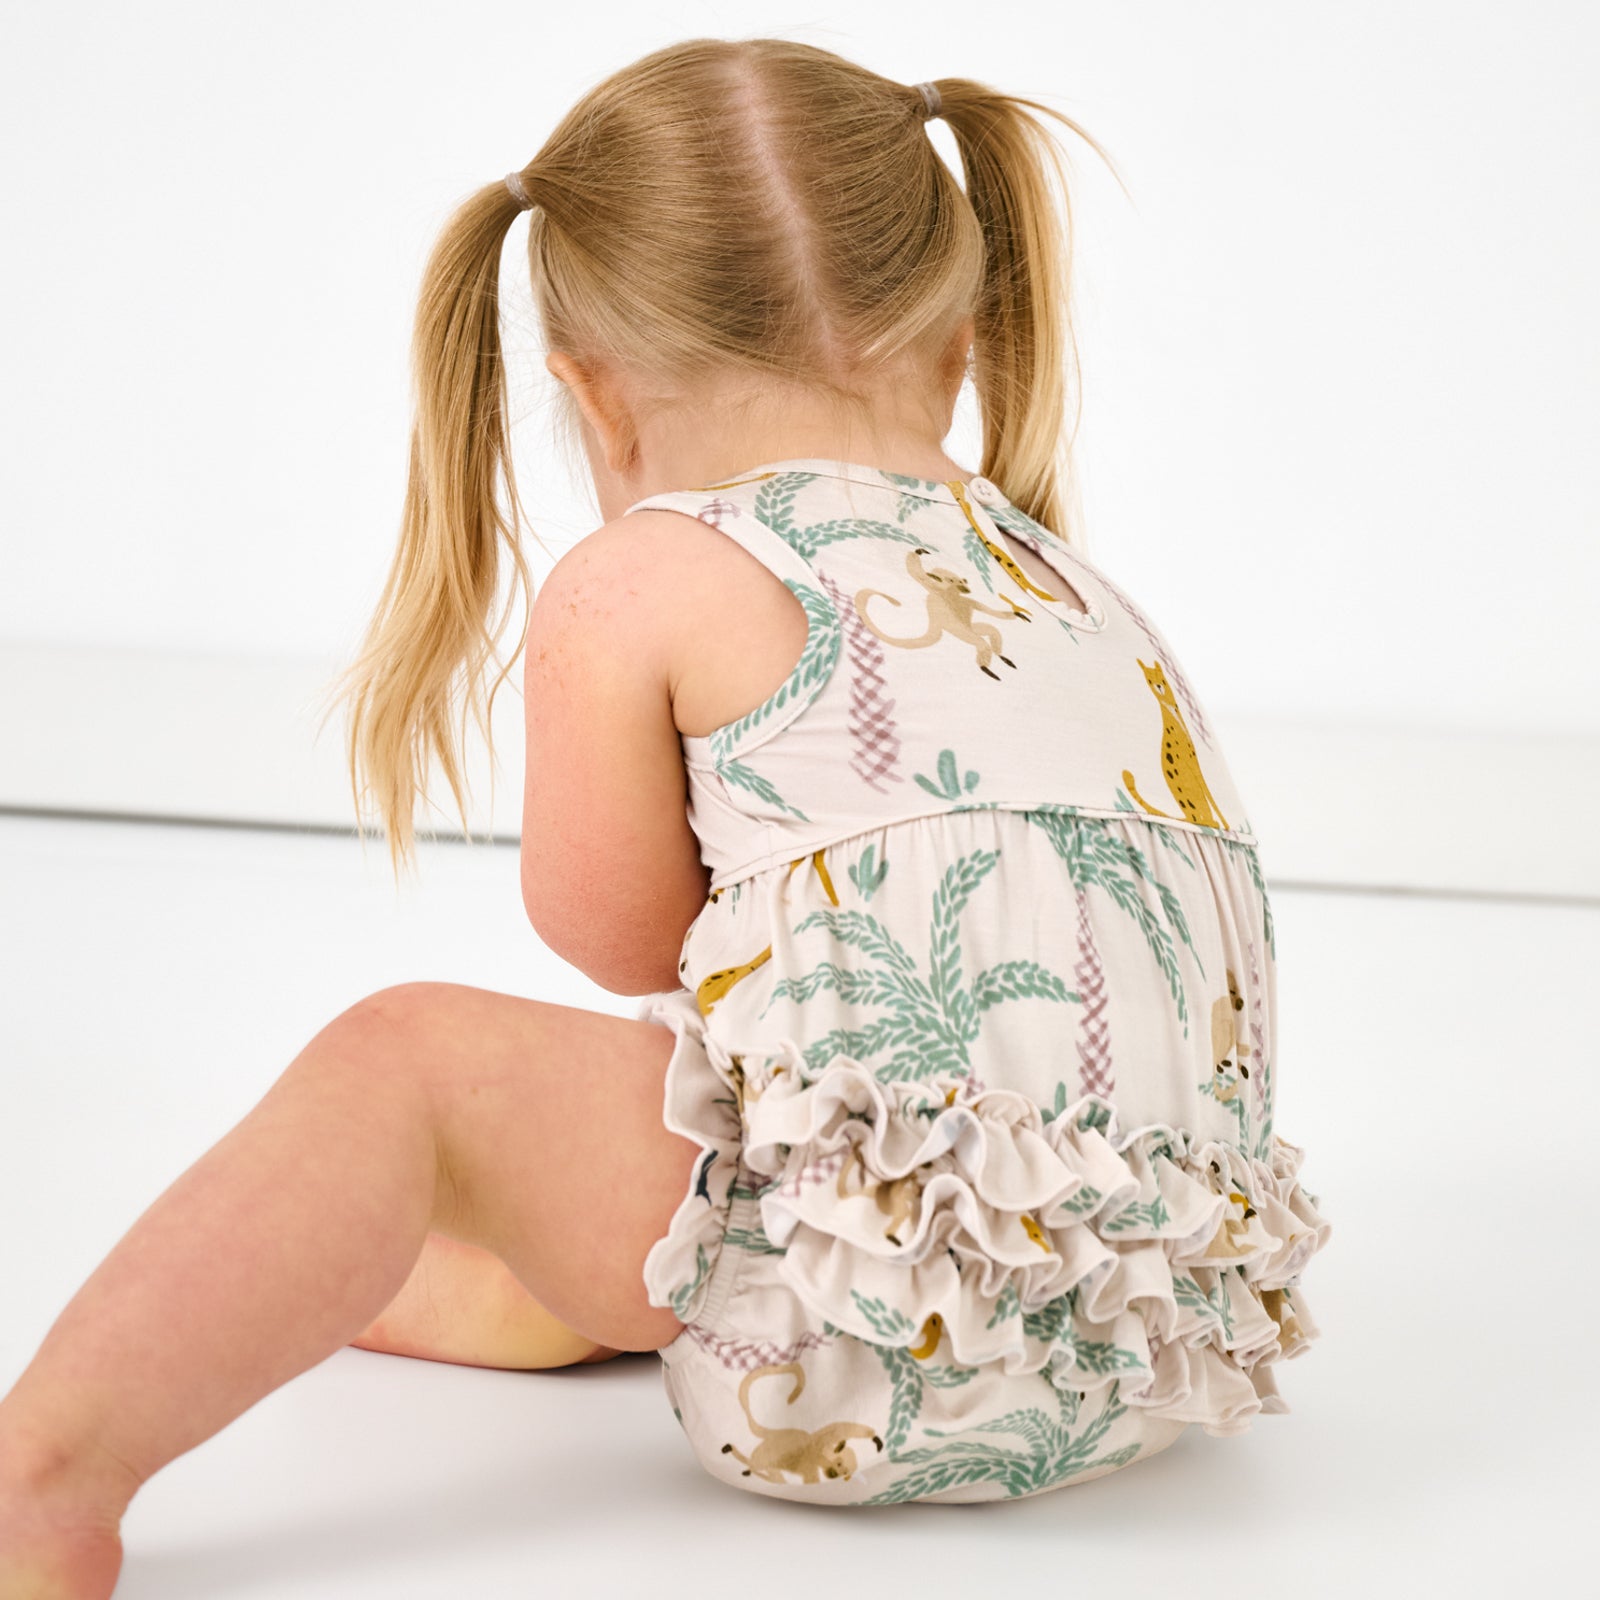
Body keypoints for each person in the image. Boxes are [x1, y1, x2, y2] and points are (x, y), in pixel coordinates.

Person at [0, 33, 1332, 1592]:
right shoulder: (1079, 593)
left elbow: (617, 934)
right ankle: (527, 1296)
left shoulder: (648, 576)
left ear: (589, 390)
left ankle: (45, 1477)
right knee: (781, 1065)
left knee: (411, 1065)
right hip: (1151, 1352)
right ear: (962, 343)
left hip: (839, 1370)